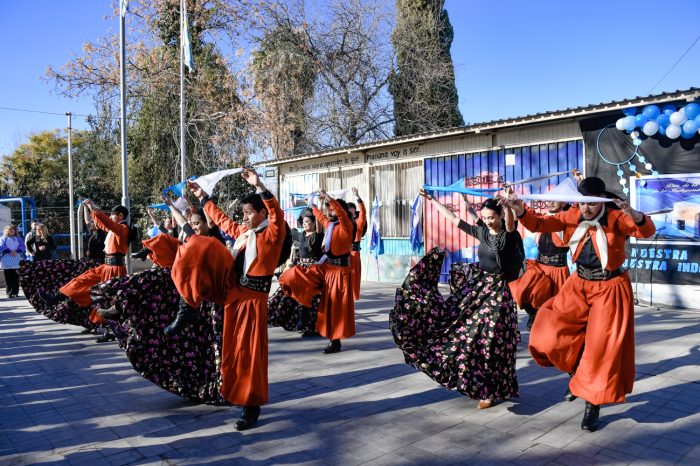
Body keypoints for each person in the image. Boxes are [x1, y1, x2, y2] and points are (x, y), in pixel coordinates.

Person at [505, 176, 656, 431]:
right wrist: (519, 209)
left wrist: (635, 214)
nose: (586, 208)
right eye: (583, 203)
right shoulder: (572, 215)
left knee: (600, 349)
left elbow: (644, 230)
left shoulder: (616, 217)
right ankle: (577, 374)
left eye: (591, 204)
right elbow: (539, 224)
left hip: (610, 289)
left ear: (601, 202)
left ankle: (592, 404)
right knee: (549, 328)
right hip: (579, 284)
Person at [172, 168, 286, 431]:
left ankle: (251, 404)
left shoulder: (272, 233)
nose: (244, 217)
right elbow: (222, 221)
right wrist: (203, 198)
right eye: (244, 213)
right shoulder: (245, 233)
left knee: (247, 354)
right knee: (201, 243)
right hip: (233, 293)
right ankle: (187, 304)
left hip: (252, 301)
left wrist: (260, 187)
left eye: (248, 213)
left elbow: (276, 214)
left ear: (261, 213)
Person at [391, 190, 523, 409]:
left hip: (498, 294)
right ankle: (481, 385)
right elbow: (453, 219)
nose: (489, 221)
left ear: (500, 216)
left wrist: (508, 205)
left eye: (492, 217)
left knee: (493, 342)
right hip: (478, 288)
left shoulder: (507, 235)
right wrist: (433, 201)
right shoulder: (482, 231)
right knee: (465, 334)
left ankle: (491, 391)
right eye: (486, 217)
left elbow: (510, 225)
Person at [38, 200, 131, 343]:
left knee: (107, 299)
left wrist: (94, 207)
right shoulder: (116, 228)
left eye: (112, 215)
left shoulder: (123, 228)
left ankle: (110, 330)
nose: (110, 217)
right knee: (80, 280)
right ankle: (55, 298)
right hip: (106, 266)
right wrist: (91, 209)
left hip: (115, 268)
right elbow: (101, 224)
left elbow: (107, 223)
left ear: (120, 215)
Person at [279, 190, 356, 354]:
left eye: (332, 208)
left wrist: (329, 198)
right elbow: (320, 217)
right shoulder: (331, 225)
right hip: (326, 268)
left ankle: (334, 341)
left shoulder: (346, 225)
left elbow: (341, 214)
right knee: (295, 275)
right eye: (329, 207)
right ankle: (303, 305)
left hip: (339, 272)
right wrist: (312, 204)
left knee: (334, 308)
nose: (330, 209)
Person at [508, 200, 570, 330]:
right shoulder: (543, 218)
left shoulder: (568, 220)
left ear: (563, 203)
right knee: (521, 290)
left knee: (556, 305)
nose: (551, 203)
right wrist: (517, 201)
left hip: (558, 270)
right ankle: (534, 314)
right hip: (540, 266)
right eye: (549, 200)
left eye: (555, 201)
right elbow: (530, 215)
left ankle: (550, 330)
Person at [268, 212, 323, 335]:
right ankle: (293, 319)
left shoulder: (317, 236)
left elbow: (320, 225)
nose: (305, 224)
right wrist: (276, 216)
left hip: (313, 270)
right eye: (303, 222)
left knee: (308, 294)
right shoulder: (300, 235)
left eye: (308, 222)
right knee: (288, 289)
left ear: (314, 223)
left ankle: (307, 323)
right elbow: (285, 229)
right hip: (300, 269)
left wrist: (320, 205)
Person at [348, 187, 367, 301]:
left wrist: (357, 197)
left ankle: (352, 299)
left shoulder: (359, 222)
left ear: (355, 211)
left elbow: (363, 212)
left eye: (351, 209)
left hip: (354, 253)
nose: (349, 211)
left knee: (354, 277)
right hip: (342, 253)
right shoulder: (342, 223)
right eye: (347, 209)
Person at [0, 225, 27, 298]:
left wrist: (16, 251)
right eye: (10, 229)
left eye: (13, 229)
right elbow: (1, 246)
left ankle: (15, 292)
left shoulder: (18, 238)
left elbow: (23, 247)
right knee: (8, 277)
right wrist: (9, 252)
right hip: (7, 259)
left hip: (16, 258)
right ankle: (9, 292)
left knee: (16, 276)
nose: (12, 230)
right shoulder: (3, 238)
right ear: (7, 230)